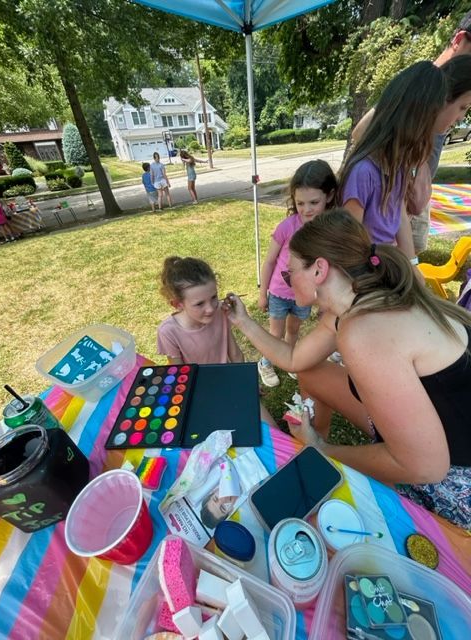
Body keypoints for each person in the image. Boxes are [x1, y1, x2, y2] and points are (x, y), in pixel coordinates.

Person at [223, 209, 471, 528]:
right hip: (437, 433)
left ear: (319, 271)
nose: (286, 281)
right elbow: (297, 360)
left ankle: (315, 452)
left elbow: (425, 467)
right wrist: (242, 321)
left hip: (455, 477)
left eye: (289, 273)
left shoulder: (365, 333)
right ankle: (309, 452)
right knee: (311, 373)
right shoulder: (356, 303)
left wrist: (324, 449)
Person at [353, 10, 471, 252]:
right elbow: (362, 132)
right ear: (459, 40)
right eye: (461, 107)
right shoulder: (419, 85)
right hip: (380, 223)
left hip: (399, 213)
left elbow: (414, 205)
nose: (459, 118)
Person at [339, 59, 471, 265]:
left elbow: (401, 213)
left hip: (388, 270)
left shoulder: (398, 167)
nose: (462, 118)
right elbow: (348, 246)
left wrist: (412, 266)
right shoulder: (364, 172)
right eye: (462, 107)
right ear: (421, 113)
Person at [157, 256, 278, 427]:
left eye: (214, 297)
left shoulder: (220, 313)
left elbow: (235, 354)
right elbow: (179, 375)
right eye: (199, 304)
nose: (210, 308)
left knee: (273, 432)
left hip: (229, 382)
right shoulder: (168, 332)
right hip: (199, 393)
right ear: (177, 304)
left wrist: (245, 384)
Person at [257, 160, 338, 387]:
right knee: (276, 333)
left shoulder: (328, 231)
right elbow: (270, 261)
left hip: (304, 297)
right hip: (279, 293)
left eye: (314, 202)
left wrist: (324, 302)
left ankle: (288, 359)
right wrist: (263, 293)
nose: (306, 209)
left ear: (329, 196)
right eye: (300, 203)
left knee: (293, 331)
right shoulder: (287, 226)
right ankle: (265, 362)